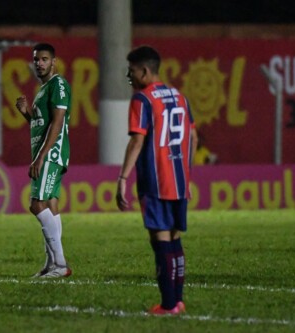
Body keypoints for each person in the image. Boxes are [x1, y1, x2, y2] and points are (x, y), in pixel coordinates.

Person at [116, 46, 198, 315]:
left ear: (144, 71)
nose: (130, 78)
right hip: (179, 181)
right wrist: (185, 169)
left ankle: (168, 304)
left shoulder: (143, 99)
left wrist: (123, 177)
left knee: (160, 240)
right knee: (174, 239)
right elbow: (194, 138)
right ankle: (179, 300)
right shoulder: (181, 97)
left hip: (156, 181)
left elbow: (138, 139)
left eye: (131, 73)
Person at [15, 43, 72, 278]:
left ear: (53, 62)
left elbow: (57, 123)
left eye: (44, 59)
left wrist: (40, 157)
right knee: (50, 205)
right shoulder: (43, 88)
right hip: (47, 151)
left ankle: (60, 264)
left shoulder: (58, 84)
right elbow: (42, 125)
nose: (39, 63)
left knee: (36, 204)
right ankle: (51, 264)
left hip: (51, 152)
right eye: (36, 59)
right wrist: (27, 113)